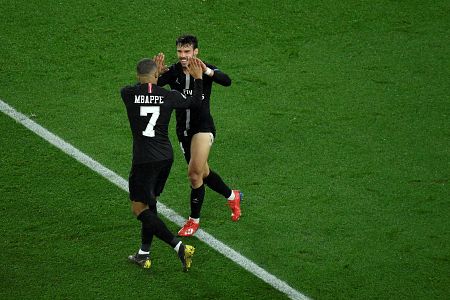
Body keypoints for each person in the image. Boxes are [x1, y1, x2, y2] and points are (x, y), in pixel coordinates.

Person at [120, 57, 204, 271]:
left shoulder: (128, 94)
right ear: (156, 75)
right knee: (151, 202)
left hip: (144, 160)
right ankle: (144, 253)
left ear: (137, 75)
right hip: (165, 157)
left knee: (139, 208)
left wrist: (157, 74)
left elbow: (145, 86)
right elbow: (194, 102)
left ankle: (179, 247)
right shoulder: (169, 96)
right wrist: (198, 79)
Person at [154, 34, 242, 237]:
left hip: (203, 128)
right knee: (202, 172)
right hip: (183, 130)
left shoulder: (205, 68)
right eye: (179, 51)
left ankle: (194, 220)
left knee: (194, 175)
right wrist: (155, 76)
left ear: (195, 52)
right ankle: (231, 195)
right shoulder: (173, 72)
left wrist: (207, 71)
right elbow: (152, 90)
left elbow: (227, 81)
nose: (183, 55)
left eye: (187, 51)